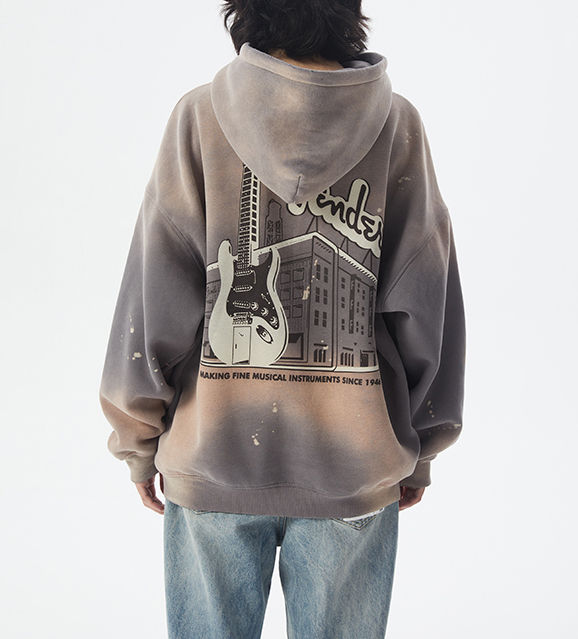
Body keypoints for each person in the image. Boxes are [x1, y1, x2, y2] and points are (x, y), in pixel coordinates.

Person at [98, 1, 466, 637]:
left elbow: (155, 293)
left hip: (212, 456)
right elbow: (426, 299)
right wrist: (423, 444)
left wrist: (137, 439)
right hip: (353, 468)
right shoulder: (396, 123)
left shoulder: (199, 115)